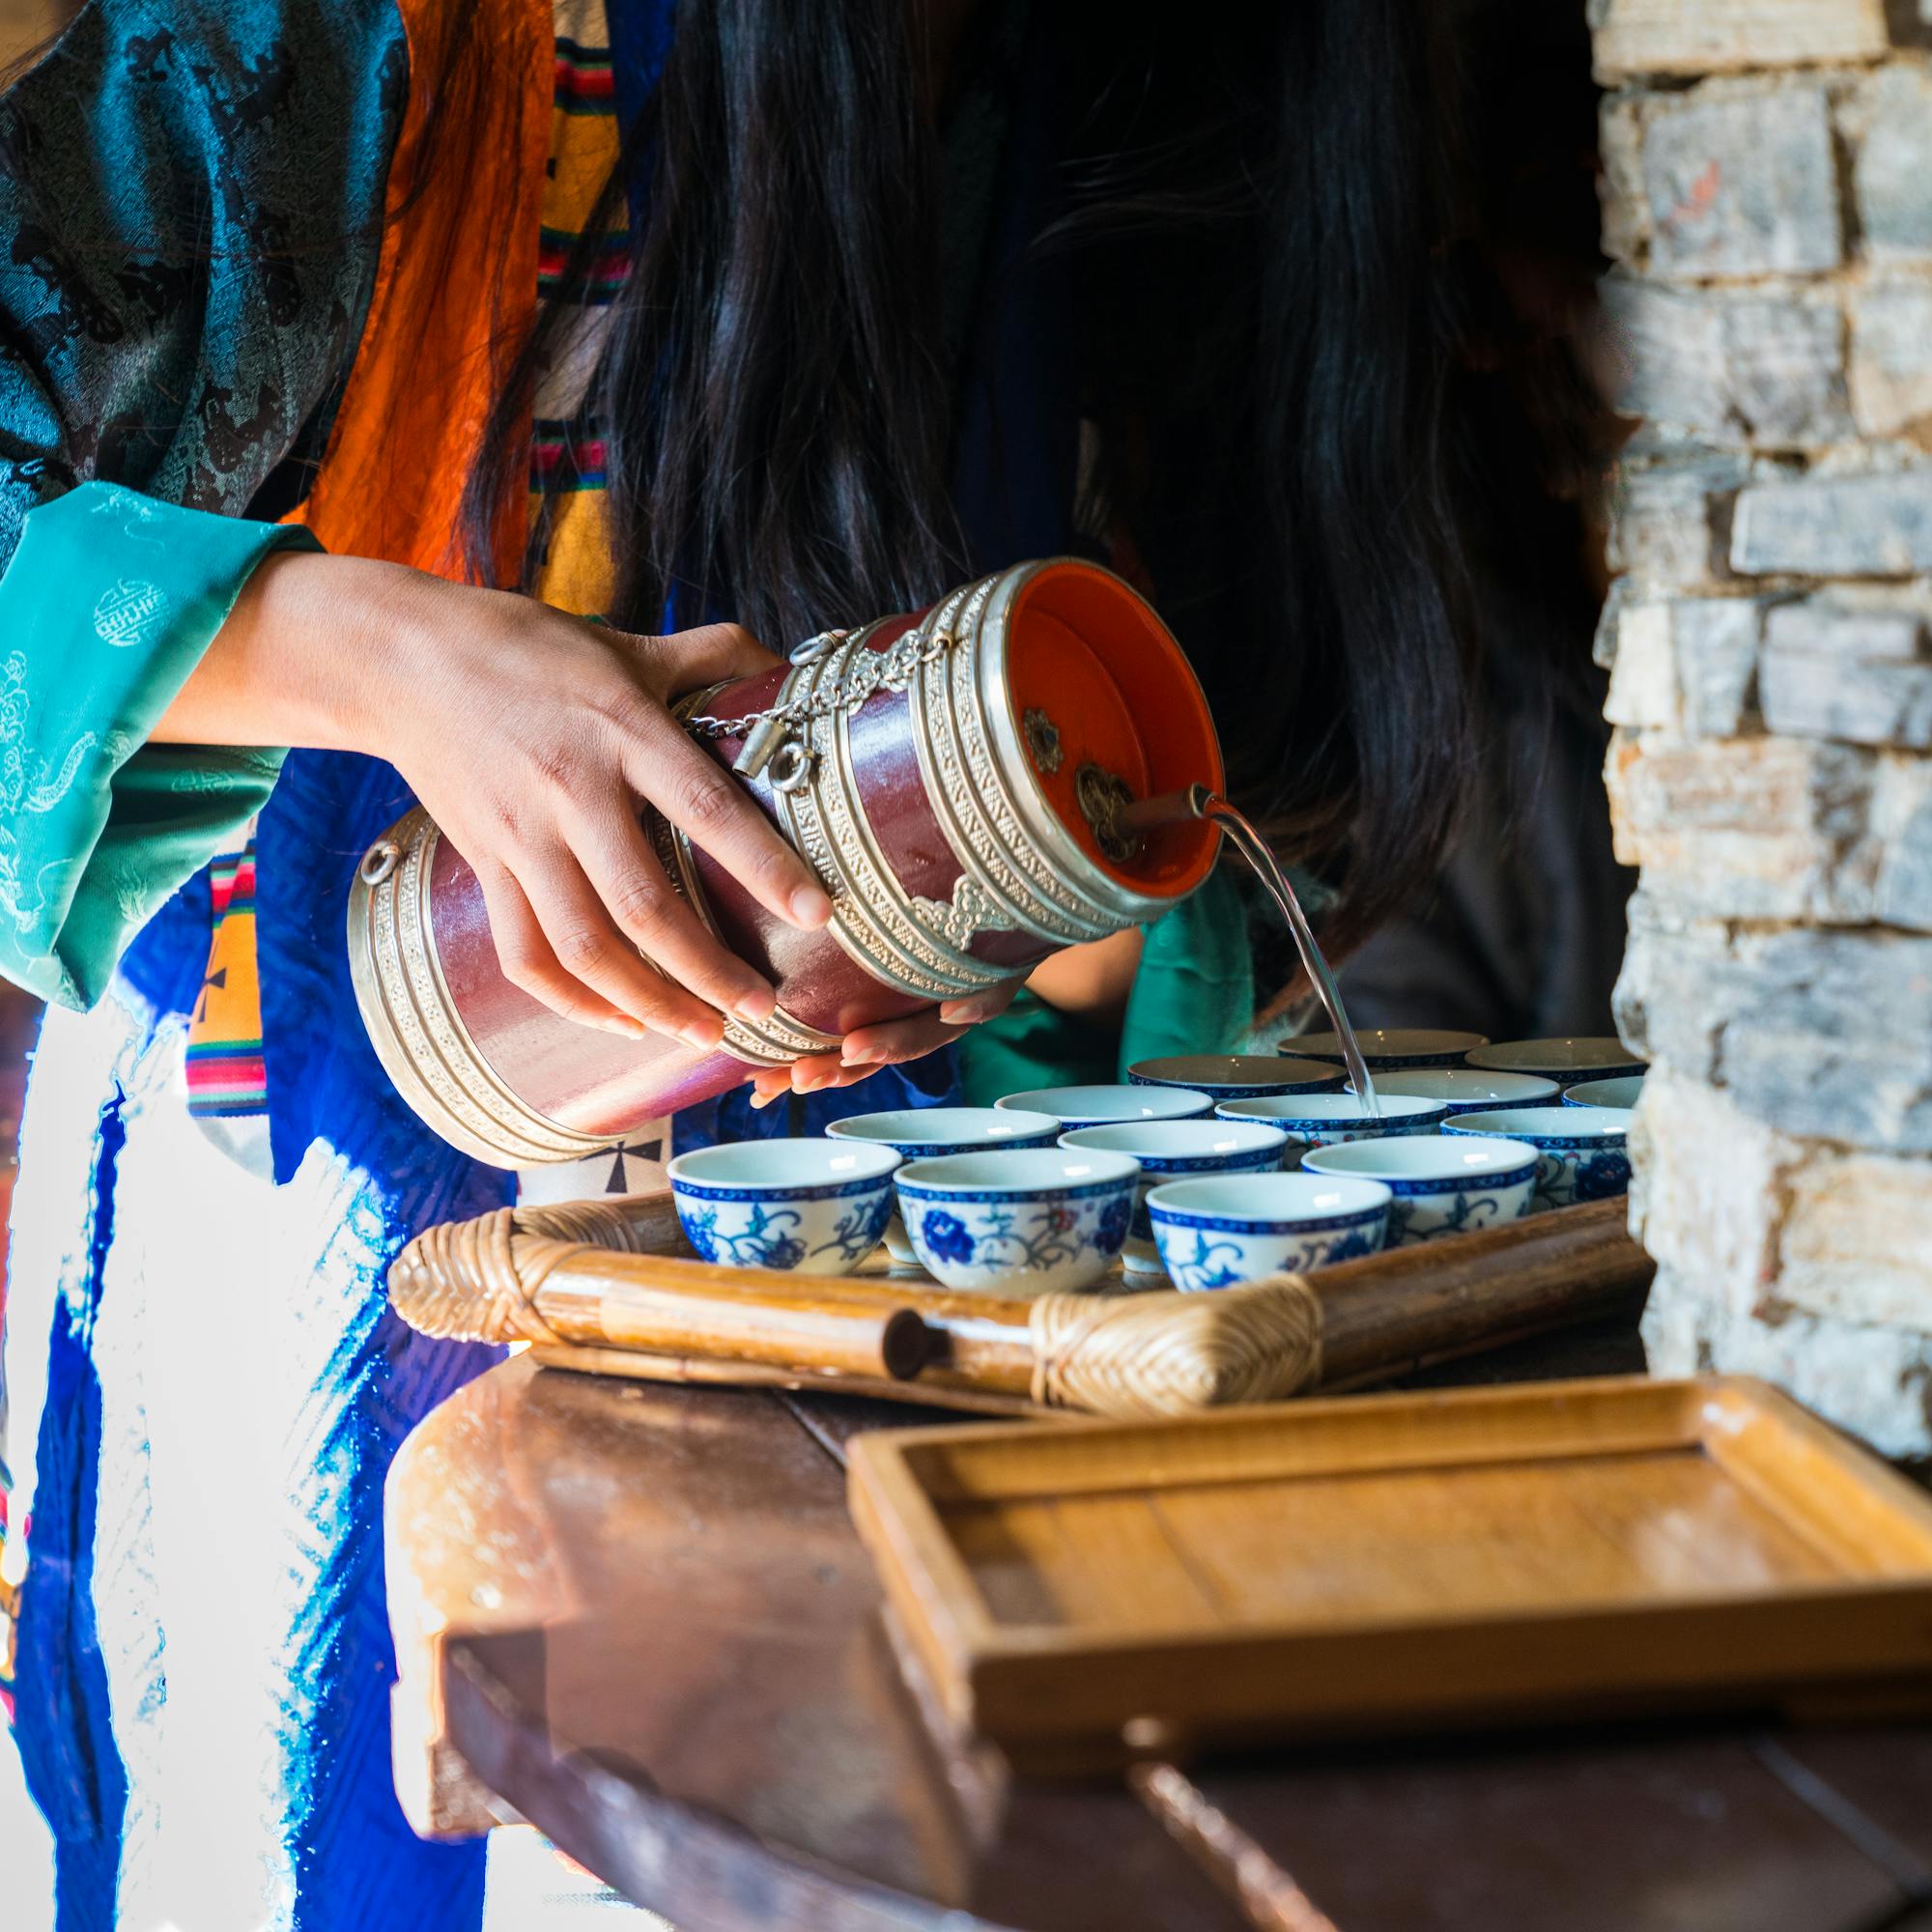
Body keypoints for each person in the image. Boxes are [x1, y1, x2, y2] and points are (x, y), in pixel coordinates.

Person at [0, 1, 1492, 1923]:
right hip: (328, 1223)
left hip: (919, 1303)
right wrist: (386, 656)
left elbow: (1208, 840)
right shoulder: (344, 50)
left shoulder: (1213, 86)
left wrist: (1023, 934)